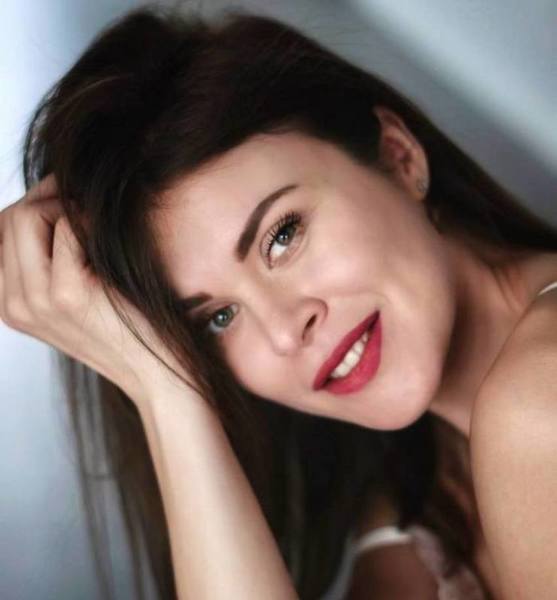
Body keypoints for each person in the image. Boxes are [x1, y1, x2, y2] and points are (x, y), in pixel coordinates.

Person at [1, 6, 556, 599]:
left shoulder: (538, 399)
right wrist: (164, 389)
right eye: (218, 317)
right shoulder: (424, 495)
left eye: (282, 236)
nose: (286, 332)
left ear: (400, 158)